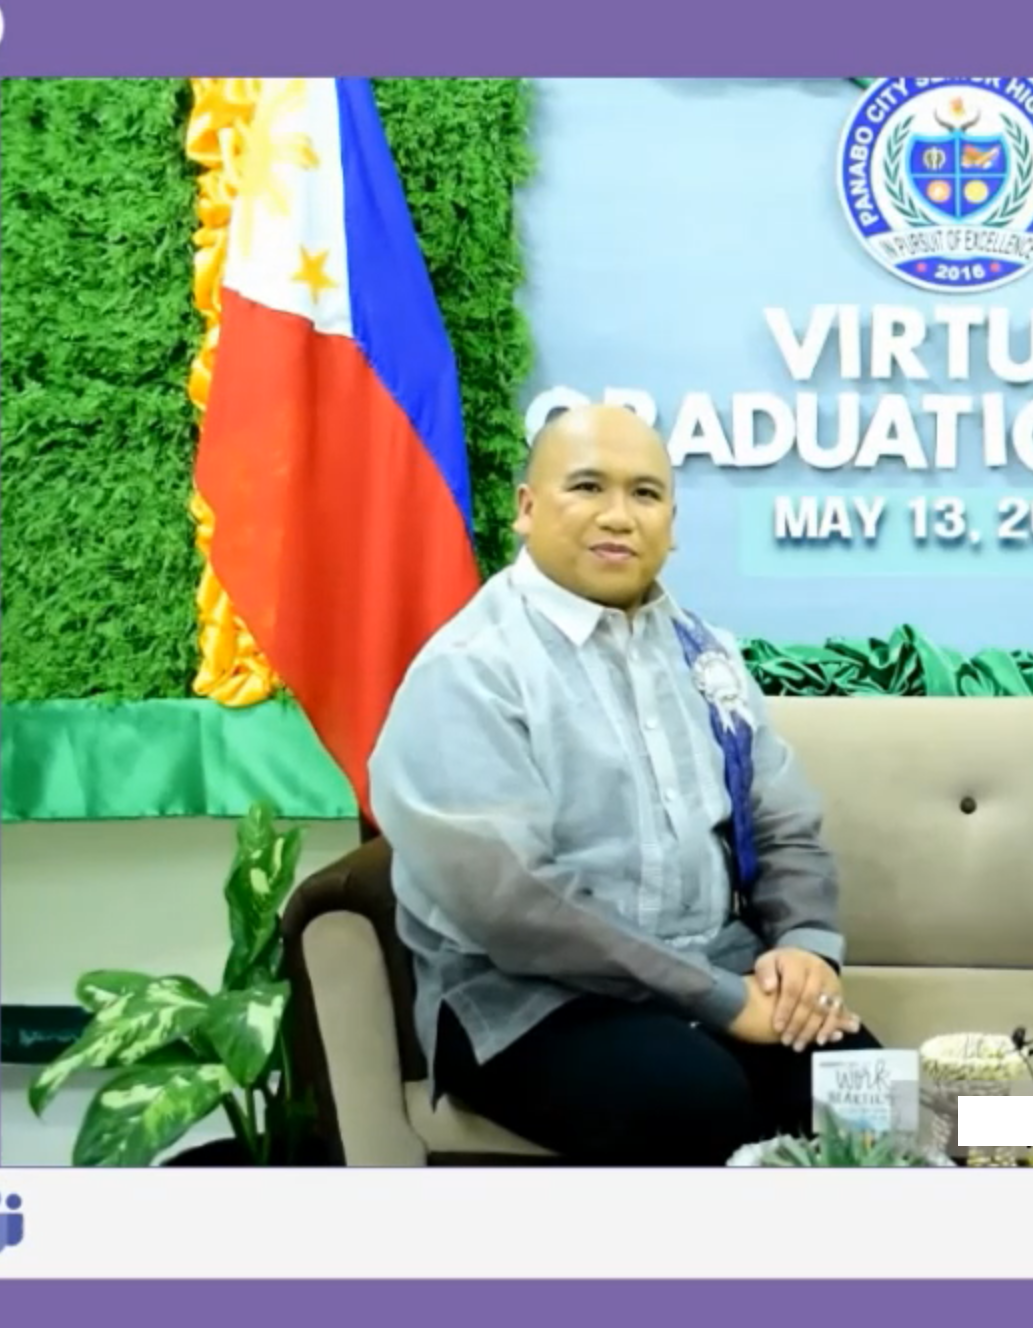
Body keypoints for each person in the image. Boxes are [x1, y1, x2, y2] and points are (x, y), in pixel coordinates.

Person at [368, 402, 878, 1166]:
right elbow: (518, 908)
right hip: (528, 997)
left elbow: (781, 824)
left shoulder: (706, 654)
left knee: (859, 1088)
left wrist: (806, 950)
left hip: (715, 964)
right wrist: (723, 1000)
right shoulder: (472, 670)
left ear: (672, 521)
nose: (618, 516)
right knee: (693, 1100)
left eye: (645, 493)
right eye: (587, 487)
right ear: (527, 508)